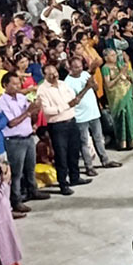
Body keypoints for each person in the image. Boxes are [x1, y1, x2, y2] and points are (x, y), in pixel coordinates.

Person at [34, 64, 90, 196]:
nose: (54, 76)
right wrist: (65, 106)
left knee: (74, 151)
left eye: (55, 73)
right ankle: (63, 184)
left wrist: (70, 105)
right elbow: (47, 110)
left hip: (71, 121)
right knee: (61, 155)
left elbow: (72, 98)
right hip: (57, 125)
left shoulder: (63, 84)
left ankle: (75, 177)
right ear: (44, 76)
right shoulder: (42, 90)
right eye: (50, 74)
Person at [0, 75, 44, 214]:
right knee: (16, 173)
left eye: (18, 83)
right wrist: (28, 112)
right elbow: (11, 123)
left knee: (30, 167)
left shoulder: (22, 98)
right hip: (14, 140)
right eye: (14, 84)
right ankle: (16, 201)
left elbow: (31, 114)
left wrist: (36, 109)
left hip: (27, 137)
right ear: (5, 85)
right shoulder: (1, 102)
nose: (17, 86)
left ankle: (32, 190)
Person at [64, 57, 116, 178]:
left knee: (99, 138)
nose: (79, 69)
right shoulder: (67, 83)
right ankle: (89, 166)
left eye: (80, 66)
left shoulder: (85, 74)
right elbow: (74, 101)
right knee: (85, 142)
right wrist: (87, 87)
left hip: (93, 112)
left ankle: (105, 160)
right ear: (70, 69)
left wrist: (93, 84)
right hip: (80, 116)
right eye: (76, 67)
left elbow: (96, 88)